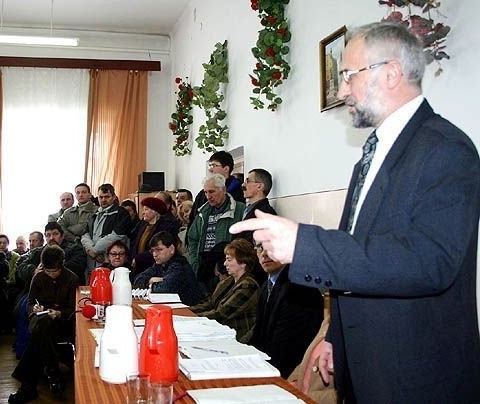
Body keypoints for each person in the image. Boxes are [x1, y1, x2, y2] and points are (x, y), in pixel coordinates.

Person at [229, 22, 480, 402]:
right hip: (363, 365)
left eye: (348, 75)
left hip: (416, 375)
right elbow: (360, 254)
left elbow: (431, 261)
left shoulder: (445, 149)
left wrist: (305, 243)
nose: (343, 89)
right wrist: (335, 338)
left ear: (392, 72)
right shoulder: (372, 154)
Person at [9, 245, 79, 404]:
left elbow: (73, 308)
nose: (51, 275)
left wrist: (60, 313)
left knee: (41, 332)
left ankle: (28, 386)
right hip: (39, 317)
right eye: (47, 271)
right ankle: (53, 373)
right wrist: (34, 309)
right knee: (42, 325)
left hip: (60, 320)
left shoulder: (72, 278)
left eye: (54, 271)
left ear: (62, 265)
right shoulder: (39, 277)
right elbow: (30, 302)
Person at [244, 244, 323, 377]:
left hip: (290, 374)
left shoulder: (299, 288)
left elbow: (285, 350)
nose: (264, 253)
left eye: (270, 246)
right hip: (269, 364)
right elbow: (258, 335)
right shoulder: (266, 285)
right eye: (259, 248)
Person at [189, 238, 258, 341]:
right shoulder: (227, 281)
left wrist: (190, 318)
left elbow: (221, 314)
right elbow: (210, 303)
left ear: (243, 262)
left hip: (237, 338)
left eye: (229, 260)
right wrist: (186, 312)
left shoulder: (248, 286)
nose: (225, 263)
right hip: (221, 332)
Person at [187, 173, 245, 293]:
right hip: (204, 268)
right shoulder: (203, 213)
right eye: (206, 192)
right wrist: (195, 263)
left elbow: (243, 242)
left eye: (212, 192)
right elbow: (192, 238)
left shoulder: (239, 210)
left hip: (226, 269)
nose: (208, 196)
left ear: (223, 189)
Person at [133, 231, 204, 306]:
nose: (154, 254)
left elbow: (164, 289)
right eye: (152, 251)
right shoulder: (159, 265)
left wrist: (152, 283)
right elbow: (137, 280)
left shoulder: (179, 265)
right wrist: (151, 280)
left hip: (191, 310)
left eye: (159, 250)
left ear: (172, 249)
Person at [81, 183, 132, 279]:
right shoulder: (94, 214)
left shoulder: (121, 213)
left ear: (113, 197)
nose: (103, 200)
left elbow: (117, 235)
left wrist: (95, 250)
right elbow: (85, 234)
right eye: (101, 197)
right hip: (92, 261)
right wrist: (90, 249)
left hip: (112, 262)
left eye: (107, 197)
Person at [188, 150, 245, 227]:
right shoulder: (202, 193)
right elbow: (193, 218)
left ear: (226, 169)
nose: (210, 169)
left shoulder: (239, 191)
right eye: (210, 166)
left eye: (214, 165)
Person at [287, 316, 337, 404]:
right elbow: (308, 360)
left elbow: (354, 395)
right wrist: (293, 382)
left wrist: (305, 396)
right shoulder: (330, 320)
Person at [129, 196, 180, 276]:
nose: (143, 212)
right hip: (139, 267)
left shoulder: (165, 226)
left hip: (155, 266)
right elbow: (134, 242)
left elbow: (158, 248)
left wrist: (138, 258)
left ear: (155, 211)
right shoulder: (143, 225)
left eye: (146, 209)